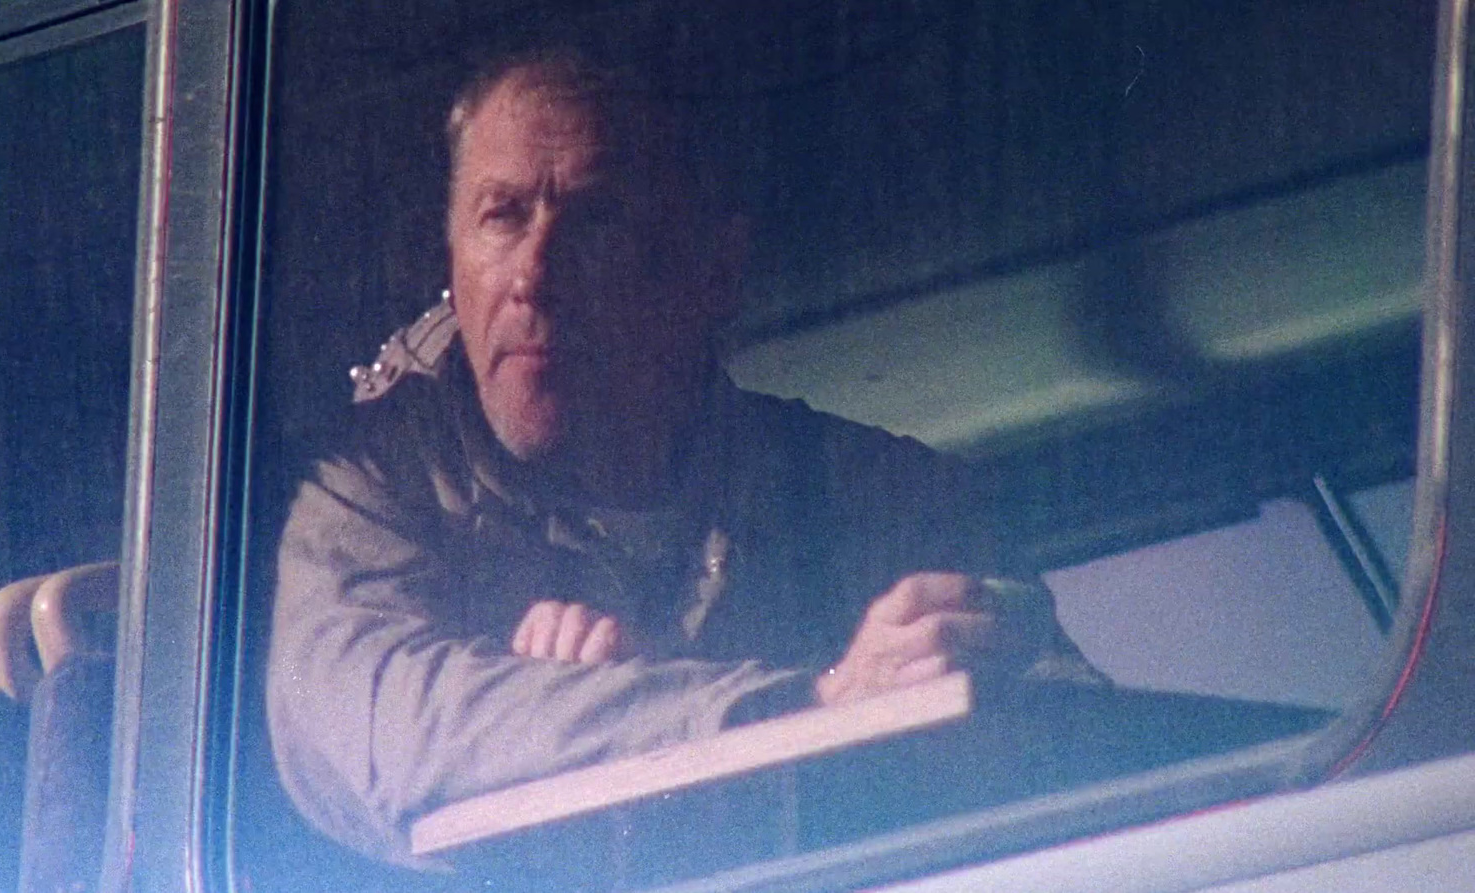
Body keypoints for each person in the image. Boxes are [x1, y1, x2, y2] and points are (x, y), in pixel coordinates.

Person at [267, 48, 1104, 868]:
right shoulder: (366, 494)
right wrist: (820, 710)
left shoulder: (876, 497)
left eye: (594, 220)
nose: (535, 272)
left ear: (715, 270)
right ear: (450, 254)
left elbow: (1090, 761)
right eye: (502, 214)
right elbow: (384, 730)